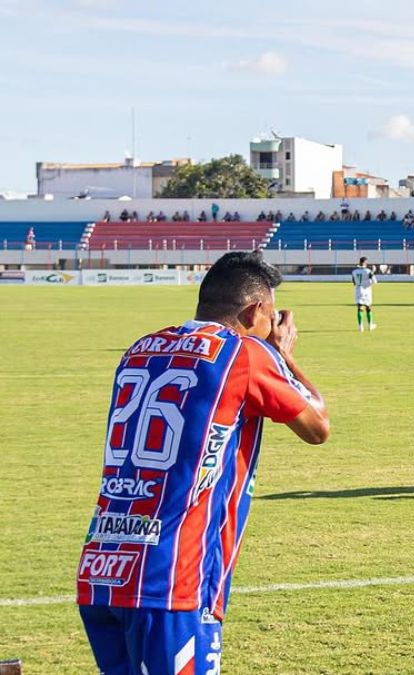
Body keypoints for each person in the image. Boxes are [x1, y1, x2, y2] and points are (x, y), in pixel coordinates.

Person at [77, 251, 330, 673]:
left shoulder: (140, 348)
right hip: (174, 577)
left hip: (104, 567)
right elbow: (317, 426)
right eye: (269, 315)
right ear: (254, 311)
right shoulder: (244, 353)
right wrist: (282, 355)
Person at [352, 256, 377, 331]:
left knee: (359, 308)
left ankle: (360, 326)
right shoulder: (368, 271)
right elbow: (375, 281)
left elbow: (353, 282)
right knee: (368, 307)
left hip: (358, 290)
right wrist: (373, 272)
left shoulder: (354, 271)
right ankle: (370, 325)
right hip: (366, 290)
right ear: (365, 262)